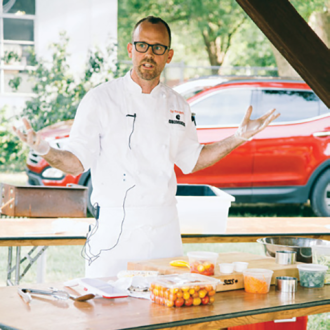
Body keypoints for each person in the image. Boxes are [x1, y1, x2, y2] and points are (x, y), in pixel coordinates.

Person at [13, 16, 280, 277]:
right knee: (108, 315)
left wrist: (237, 138)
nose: (149, 54)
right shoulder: (100, 99)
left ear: (169, 55)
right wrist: (44, 149)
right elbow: (76, 163)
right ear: (131, 49)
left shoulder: (178, 104)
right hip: (114, 230)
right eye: (142, 45)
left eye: (158, 48)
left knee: (165, 311)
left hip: (164, 227)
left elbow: (193, 159)